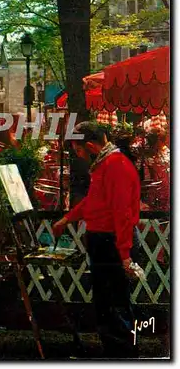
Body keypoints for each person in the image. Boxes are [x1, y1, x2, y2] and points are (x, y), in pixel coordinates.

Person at [52, 121, 140, 358]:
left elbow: (121, 214)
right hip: (105, 241)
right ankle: (116, 352)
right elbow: (94, 201)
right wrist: (67, 219)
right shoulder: (106, 164)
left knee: (113, 304)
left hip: (110, 242)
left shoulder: (115, 165)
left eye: (78, 150)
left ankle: (122, 356)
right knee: (107, 303)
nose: (78, 156)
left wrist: (124, 255)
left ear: (90, 145)